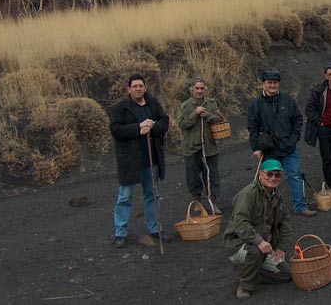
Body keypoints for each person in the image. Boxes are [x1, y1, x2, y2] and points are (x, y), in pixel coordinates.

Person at [108, 74, 170, 248]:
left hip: (152, 159)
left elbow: (164, 122)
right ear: (129, 89)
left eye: (140, 85)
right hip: (130, 161)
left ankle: (156, 228)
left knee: (152, 195)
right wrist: (138, 128)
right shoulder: (120, 108)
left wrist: (153, 126)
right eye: (134, 86)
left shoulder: (153, 104)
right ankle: (120, 232)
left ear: (145, 87)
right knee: (125, 197)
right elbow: (116, 130)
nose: (138, 88)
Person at [248, 71, 317, 217]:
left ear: (278, 84)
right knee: (268, 180)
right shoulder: (256, 104)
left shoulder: (288, 101)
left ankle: (300, 207)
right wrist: (256, 147)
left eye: (275, 82)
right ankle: (268, 211)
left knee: (295, 175)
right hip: (269, 150)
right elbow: (252, 127)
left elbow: (298, 121)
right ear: (264, 84)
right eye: (269, 82)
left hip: (288, 147)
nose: (272, 85)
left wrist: (293, 139)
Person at [223, 159, 293, 300]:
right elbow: (240, 222)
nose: (273, 178)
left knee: (286, 274)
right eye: (269, 174)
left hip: (265, 246)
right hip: (239, 244)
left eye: (277, 175)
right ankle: (245, 286)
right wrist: (259, 241)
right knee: (255, 251)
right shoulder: (248, 194)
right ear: (260, 174)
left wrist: (281, 248)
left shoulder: (277, 195)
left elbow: (285, 222)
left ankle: (249, 272)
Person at [178, 77, 223, 214]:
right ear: (192, 89)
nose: (199, 91)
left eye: (202, 88)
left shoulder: (211, 103)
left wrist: (207, 115)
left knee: (212, 176)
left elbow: (218, 119)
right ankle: (197, 202)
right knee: (193, 177)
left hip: (209, 147)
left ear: (205, 90)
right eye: (197, 88)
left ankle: (213, 203)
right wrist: (195, 114)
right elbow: (182, 124)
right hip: (191, 147)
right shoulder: (185, 106)